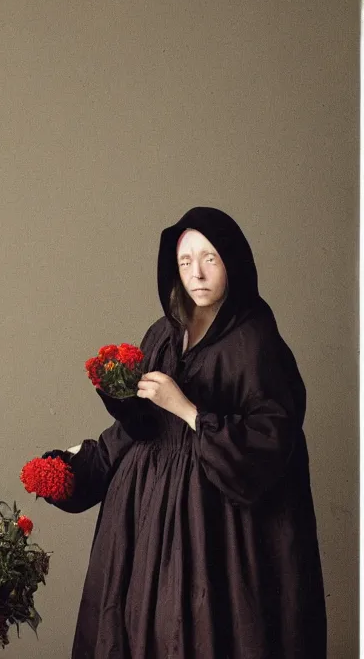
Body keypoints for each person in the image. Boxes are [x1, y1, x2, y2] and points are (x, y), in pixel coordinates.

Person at [42, 207, 326, 659]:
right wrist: (77, 463)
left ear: (233, 261)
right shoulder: (162, 333)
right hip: (145, 524)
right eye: (185, 261)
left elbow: (272, 439)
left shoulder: (256, 341)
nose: (197, 273)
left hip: (217, 532)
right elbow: (138, 428)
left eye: (210, 258)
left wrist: (189, 410)